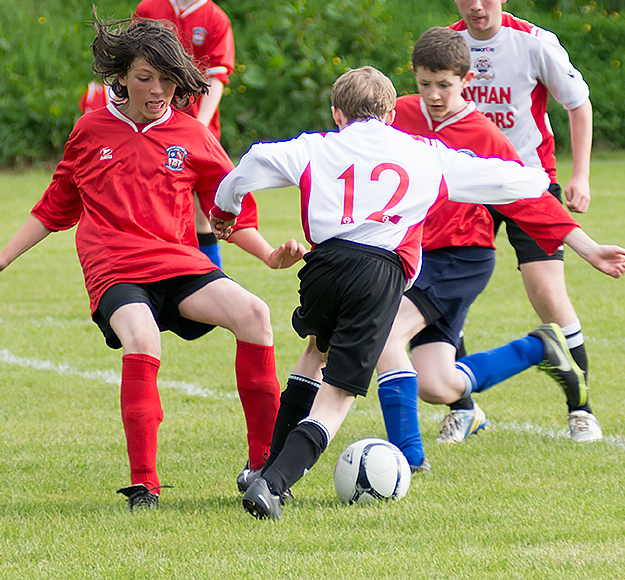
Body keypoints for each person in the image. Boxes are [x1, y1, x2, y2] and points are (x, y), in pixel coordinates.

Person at [0, 14, 304, 511]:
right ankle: (144, 485)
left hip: (178, 262)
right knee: (143, 337)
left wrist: (269, 256)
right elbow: (55, 207)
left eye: (168, 79)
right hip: (116, 268)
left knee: (255, 313)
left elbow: (226, 212)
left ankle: (263, 467)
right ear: (122, 75)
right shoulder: (90, 130)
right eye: (145, 77)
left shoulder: (192, 134)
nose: (157, 89)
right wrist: (3, 256)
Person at [210, 65, 557, 520]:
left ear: (337, 113)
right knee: (338, 394)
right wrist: (540, 181)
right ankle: (273, 486)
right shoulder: (426, 153)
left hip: (323, 267)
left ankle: (264, 469)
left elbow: (254, 159)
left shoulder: (316, 146)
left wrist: (224, 210)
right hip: (380, 272)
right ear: (392, 114)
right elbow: (503, 180)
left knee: (315, 352)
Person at [376, 27, 625, 470]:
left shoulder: (485, 136)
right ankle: (540, 349)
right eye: (425, 84)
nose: (434, 95)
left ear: (465, 80)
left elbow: (529, 198)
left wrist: (587, 247)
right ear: (414, 78)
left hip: (460, 256)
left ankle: (408, 460)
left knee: (383, 334)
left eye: (445, 84)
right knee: (436, 384)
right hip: (413, 256)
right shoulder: (398, 115)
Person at [447, 0, 603, 441]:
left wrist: (579, 176)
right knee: (443, 295)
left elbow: (578, 104)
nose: (476, 6)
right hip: (464, 187)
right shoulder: (446, 46)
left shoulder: (536, 43)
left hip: (529, 181)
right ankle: (462, 406)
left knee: (547, 293)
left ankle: (582, 408)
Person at [134, 0, 234, 267]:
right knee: (149, 202)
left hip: (196, 126)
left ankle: (212, 279)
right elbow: (131, 68)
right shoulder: (149, 9)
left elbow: (216, 77)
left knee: (200, 211)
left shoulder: (217, 19)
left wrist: (200, 127)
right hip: (151, 123)